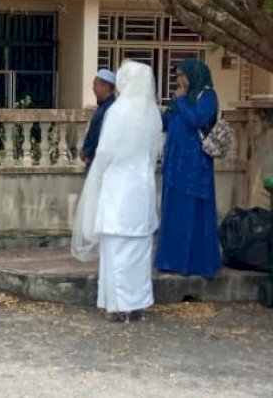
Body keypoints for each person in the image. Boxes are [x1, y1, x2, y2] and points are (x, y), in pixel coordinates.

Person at [71, 61, 162, 323]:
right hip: (142, 189)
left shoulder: (118, 111)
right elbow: (153, 153)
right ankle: (137, 303)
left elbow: (105, 152)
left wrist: (97, 177)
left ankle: (117, 305)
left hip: (119, 188)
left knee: (115, 250)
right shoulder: (153, 114)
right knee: (140, 251)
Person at [155, 58, 221, 278]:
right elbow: (164, 123)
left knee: (192, 212)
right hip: (175, 164)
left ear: (194, 75)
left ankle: (194, 264)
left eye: (182, 75)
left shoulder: (207, 96)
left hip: (195, 166)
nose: (179, 80)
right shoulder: (178, 100)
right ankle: (171, 260)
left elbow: (196, 119)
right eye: (177, 76)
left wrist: (182, 100)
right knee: (174, 212)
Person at [80, 69, 117, 171]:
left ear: (105, 86)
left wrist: (88, 153)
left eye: (96, 85)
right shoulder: (102, 107)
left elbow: (100, 135)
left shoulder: (110, 108)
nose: (93, 88)